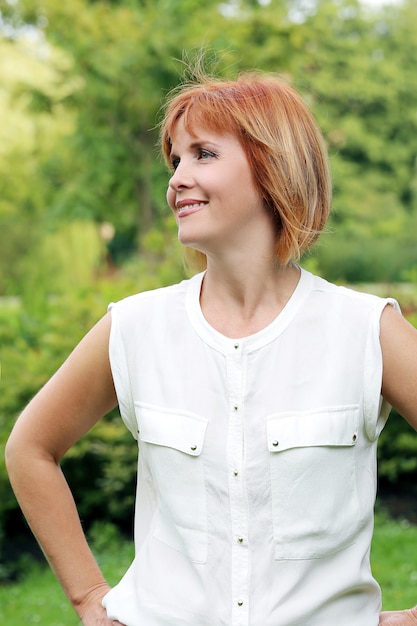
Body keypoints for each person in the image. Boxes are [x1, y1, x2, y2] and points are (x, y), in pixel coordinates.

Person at [5, 68, 417, 626]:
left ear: (274, 166)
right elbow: (29, 449)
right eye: (174, 160)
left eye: (203, 154)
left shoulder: (366, 330)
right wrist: (89, 599)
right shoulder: (134, 328)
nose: (176, 178)